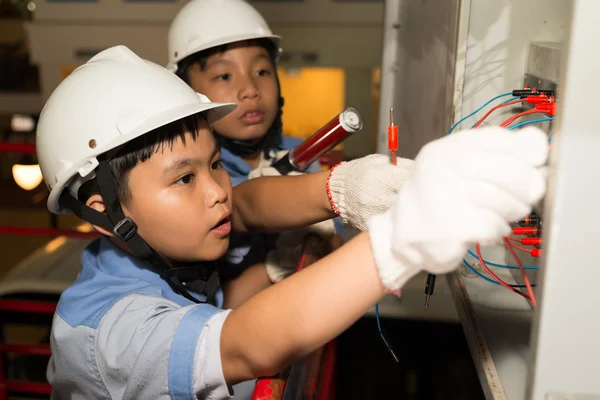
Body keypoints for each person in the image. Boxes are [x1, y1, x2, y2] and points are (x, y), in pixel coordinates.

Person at [38, 45, 548, 400]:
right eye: (184, 180)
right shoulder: (107, 334)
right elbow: (246, 344)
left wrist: (329, 203)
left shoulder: (164, 259)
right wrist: (406, 237)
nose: (218, 190)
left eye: (214, 163)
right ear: (106, 213)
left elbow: (246, 217)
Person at [166, 0, 372, 307]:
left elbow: (334, 248)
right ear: (185, 90)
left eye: (262, 71)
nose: (250, 88)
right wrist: (272, 269)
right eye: (224, 76)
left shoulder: (297, 152)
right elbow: (211, 315)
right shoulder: (189, 174)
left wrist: (325, 240)